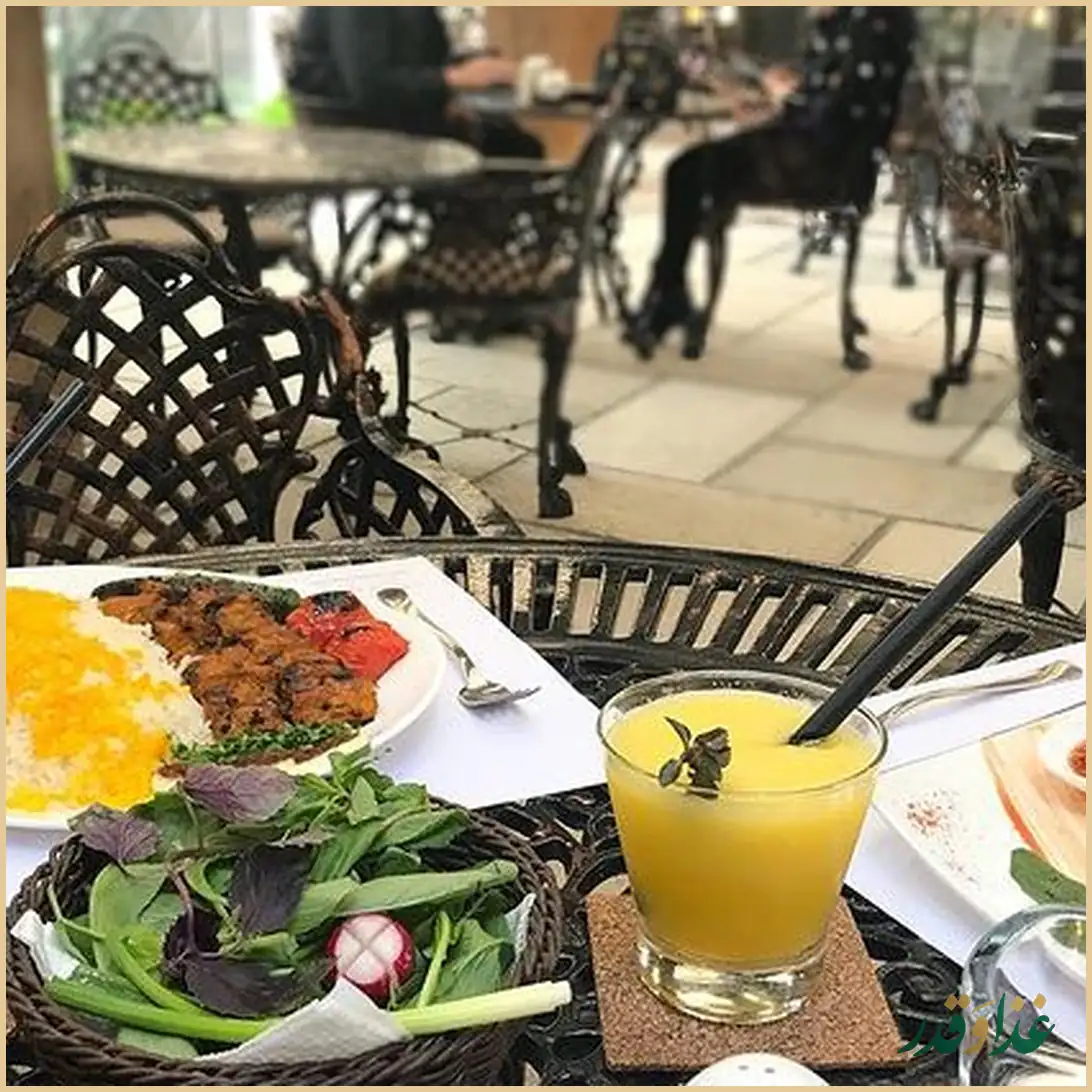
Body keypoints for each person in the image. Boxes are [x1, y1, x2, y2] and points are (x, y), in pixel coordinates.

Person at [627, 6, 918, 357]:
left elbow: (840, 111)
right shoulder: (856, 23)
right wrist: (777, 100)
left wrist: (785, 98)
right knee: (690, 170)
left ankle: (667, 294)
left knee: (688, 172)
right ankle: (668, 291)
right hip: (817, 156)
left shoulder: (871, 23)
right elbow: (824, 96)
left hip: (823, 168)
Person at [287, 6, 544, 159]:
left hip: (399, 123)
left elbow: (421, 60)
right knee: (517, 149)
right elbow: (370, 87)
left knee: (513, 140)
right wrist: (454, 79)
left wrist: (472, 69)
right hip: (364, 136)